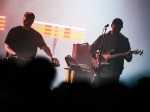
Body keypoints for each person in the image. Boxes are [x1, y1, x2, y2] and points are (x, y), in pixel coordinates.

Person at [90, 18, 133, 87]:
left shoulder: (124, 40)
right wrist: (96, 55)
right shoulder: (103, 37)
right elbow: (91, 48)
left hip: (114, 76)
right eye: (115, 27)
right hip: (100, 73)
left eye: (119, 28)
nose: (117, 30)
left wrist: (128, 55)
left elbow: (129, 58)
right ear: (111, 25)